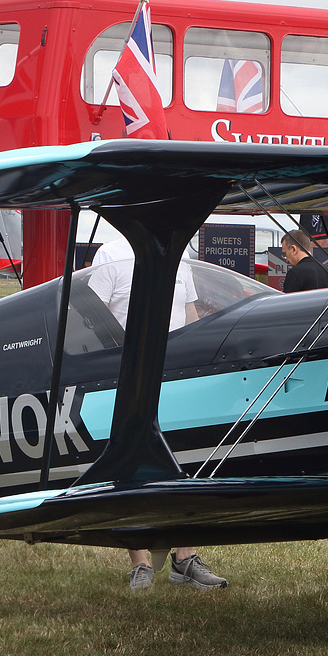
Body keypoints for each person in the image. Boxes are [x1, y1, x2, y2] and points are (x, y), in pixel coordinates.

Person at [86, 237, 224, 591]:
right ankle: (140, 562)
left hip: (176, 372)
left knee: (186, 458)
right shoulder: (110, 254)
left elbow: (190, 313)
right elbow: (90, 318)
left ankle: (185, 557)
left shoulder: (182, 253)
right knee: (132, 463)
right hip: (127, 373)